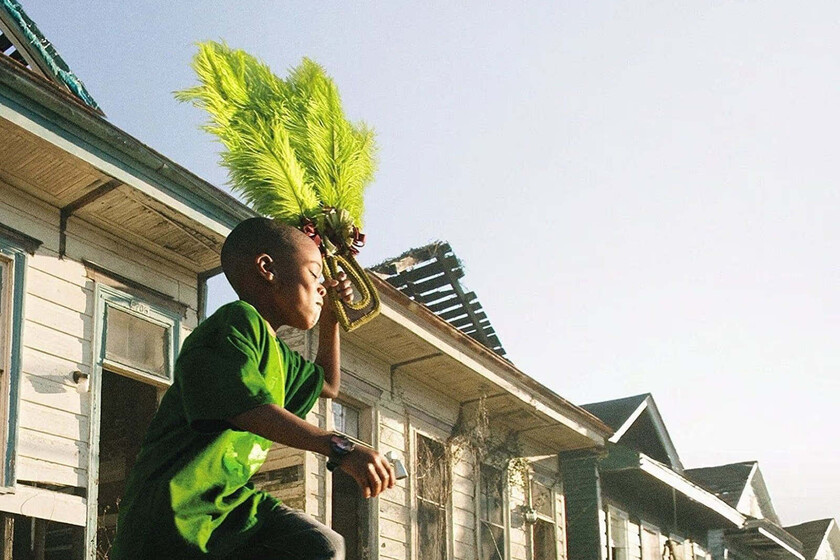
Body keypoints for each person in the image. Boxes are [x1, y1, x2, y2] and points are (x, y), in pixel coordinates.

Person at [111, 217, 396, 560]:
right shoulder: (234, 324)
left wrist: (331, 321)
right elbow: (251, 411)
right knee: (317, 545)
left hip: (227, 509)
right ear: (267, 269)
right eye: (313, 274)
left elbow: (328, 383)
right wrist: (341, 448)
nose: (323, 287)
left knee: (320, 544)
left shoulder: (279, 357)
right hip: (170, 519)